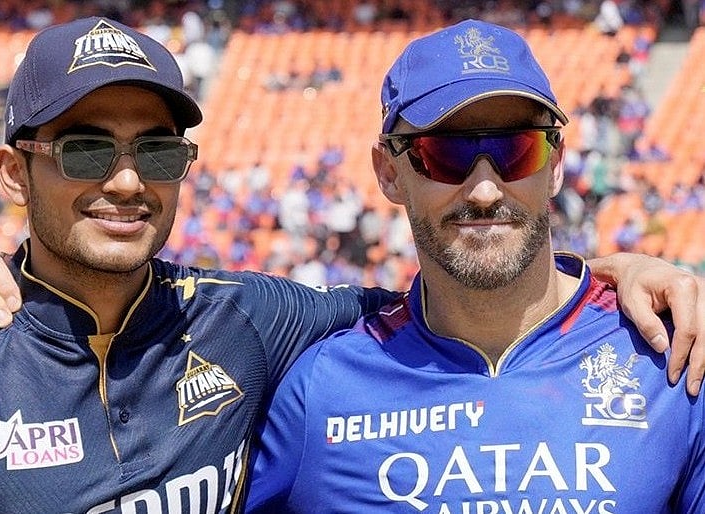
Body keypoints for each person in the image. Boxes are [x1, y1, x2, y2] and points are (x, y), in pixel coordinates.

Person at [0, 16, 701, 514]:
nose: (123, 181)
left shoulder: (249, 321)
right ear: (12, 172)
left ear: (556, 161)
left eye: (155, 150)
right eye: (81, 150)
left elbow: (475, 286)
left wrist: (612, 271)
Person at [246, 20, 705, 512]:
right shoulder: (319, 392)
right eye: (446, 152)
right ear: (388, 173)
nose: (485, 191)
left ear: (554, 166)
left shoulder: (672, 359)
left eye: (516, 148)